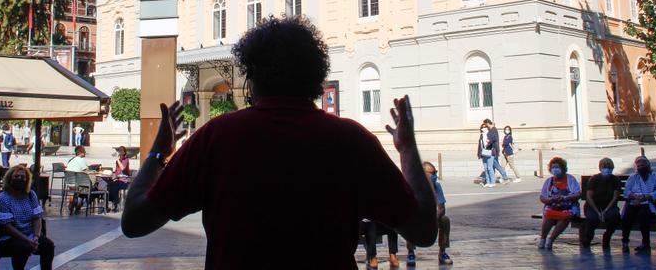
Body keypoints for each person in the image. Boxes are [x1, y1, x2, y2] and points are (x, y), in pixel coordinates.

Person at [121, 17, 437, 268]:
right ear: (315, 76)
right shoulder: (352, 141)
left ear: (251, 77)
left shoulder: (216, 137)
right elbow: (423, 230)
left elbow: (135, 221)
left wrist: (158, 152)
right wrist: (408, 149)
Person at [0, 166, 55, 270]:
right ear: (10, 178)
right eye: (16, 176)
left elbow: (37, 218)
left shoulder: (31, 195)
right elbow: (7, 226)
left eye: (23, 177)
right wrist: (27, 240)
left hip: (30, 234)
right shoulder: (3, 198)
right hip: (11, 236)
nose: (20, 179)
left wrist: (36, 236)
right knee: (23, 247)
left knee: (48, 245)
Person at [406, 161, 451, 266]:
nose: (435, 175)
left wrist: (434, 218)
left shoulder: (437, 186)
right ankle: (411, 252)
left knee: (445, 220)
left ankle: (442, 252)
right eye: (433, 173)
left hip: (432, 218)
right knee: (409, 220)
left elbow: (441, 207)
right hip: (418, 216)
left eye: (435, 172)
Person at [621, 156, 656, 253]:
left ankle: (645, 243)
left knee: (643, 215)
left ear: (647, 166)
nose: (640, 167)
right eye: (638, 166)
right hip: (634, 203)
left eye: (643, 165)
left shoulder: (655, 177)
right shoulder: (632, 178)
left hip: (648, 204)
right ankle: (625, 241)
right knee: (627, 216)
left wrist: (647, 196)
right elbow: (626, 192)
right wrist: (634, 197)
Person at [538, 157, 581, 250]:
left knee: (565, 216)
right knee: (548, 215)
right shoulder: (549, 181)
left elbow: (578, 194)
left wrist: (565, 197)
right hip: (553, 206)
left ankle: (551, 239)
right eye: (553, 167)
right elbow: (542, 196)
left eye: (557, 167)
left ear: (563, 168)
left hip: (568, 206)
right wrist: (550, 200)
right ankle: (543, 239)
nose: (555, 169)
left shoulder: (570, 179)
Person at [583, 158, 621, 249]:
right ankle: (588, 238)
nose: (607, 169)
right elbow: (589, 197)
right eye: (604, 167)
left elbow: (615, 197)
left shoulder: (615, 180)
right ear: (600, 168)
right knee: (592, 219)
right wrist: (598, 212)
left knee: (614, 216)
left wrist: (605, 211)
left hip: (609, 206)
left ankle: (607, 236)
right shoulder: (594, 179)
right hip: (593, 206)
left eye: (609, 167)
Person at [65, 146, 90, 214]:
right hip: (78, 185)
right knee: (88, 189)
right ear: (81, 152)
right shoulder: (81, 160)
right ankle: (78, 207)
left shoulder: (71, 160)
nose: (85, 152)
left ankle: (74, 204)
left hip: (70, 184)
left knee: (82, 189)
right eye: (84, 151)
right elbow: (87, 172)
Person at [106, 146, 131, 212]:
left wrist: (117, 160)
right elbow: (117, 171)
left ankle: (115, 204)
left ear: (124, 152)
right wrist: (114, 175)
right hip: (118, 179)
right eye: (119, 151)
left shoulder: (126, 159)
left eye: (121, 151)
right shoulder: (118, 161)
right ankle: (110, 203)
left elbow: (122, 168)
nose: (120, 152)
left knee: (115, 186)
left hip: (125, 181)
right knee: (109, 185)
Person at [476, 122, 496, 187]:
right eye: (482, 127)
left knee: (490, 167)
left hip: (490, 152)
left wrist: (489, 141)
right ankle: (488, 181)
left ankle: (492, 182)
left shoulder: (490, 133)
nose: (483, 128)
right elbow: (480, 145)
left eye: (484, 127)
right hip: (483, 152)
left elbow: (494, 140)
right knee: (486, 168)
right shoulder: (481, 135)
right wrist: (479, 153)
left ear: (487, 128)